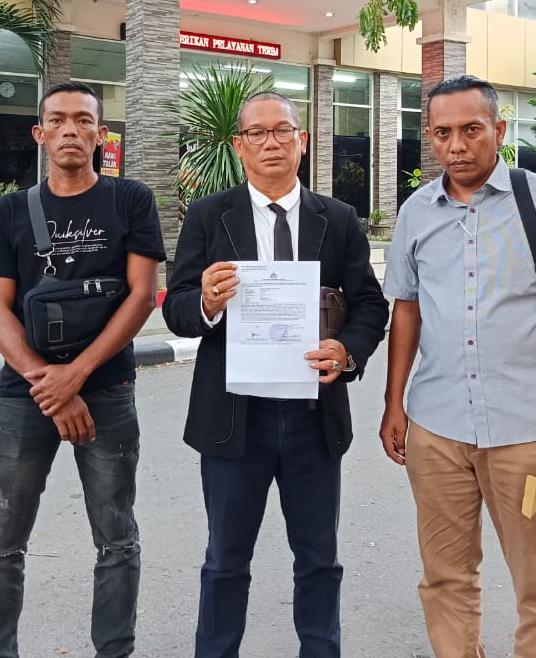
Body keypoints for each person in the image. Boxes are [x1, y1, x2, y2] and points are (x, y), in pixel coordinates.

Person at [379, 75, 536, 658]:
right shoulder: (416, 212)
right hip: (437, 431)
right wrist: (393, 403)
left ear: (498, 130)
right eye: (442, 133)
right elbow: (406, 312)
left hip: (528, 433)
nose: (456, 145)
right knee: (445, 576)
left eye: (471, 129)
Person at [162, 91, 388, 658]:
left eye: (282, 131)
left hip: (313, 418)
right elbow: (177, 308)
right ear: (239, 146)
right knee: (225, 560)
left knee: (318, 560)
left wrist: (347, 351)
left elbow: (370, 305)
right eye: (257, 133)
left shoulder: (337, 219)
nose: (271, 142)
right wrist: (206, 303)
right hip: (234, 418)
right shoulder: (208, 216)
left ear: (302, 142)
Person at [0, 82, 166, 658]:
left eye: (83, 120)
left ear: (101, 134)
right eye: (57, 120)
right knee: (3, 538)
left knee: (116, 536)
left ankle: (114, 650)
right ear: (40, 134)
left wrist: (75, 376)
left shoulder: (131, 200)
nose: (70, 130)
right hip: (23, 396)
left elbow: (141, 296)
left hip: (106, 390)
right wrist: (50, 384)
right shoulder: (9, 211)